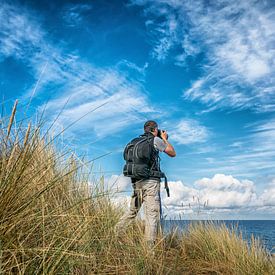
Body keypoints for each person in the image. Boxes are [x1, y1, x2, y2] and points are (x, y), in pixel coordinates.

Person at [115, 120, 176, 246]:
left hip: (137, 182)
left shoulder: (134, 142)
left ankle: (114, 233)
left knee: (133, 211)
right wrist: (164, 138)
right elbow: (172, 153)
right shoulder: (154, 140)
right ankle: (149, 251)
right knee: (152, 215)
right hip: (150, 182)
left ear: (145, 130)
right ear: (155, 130)